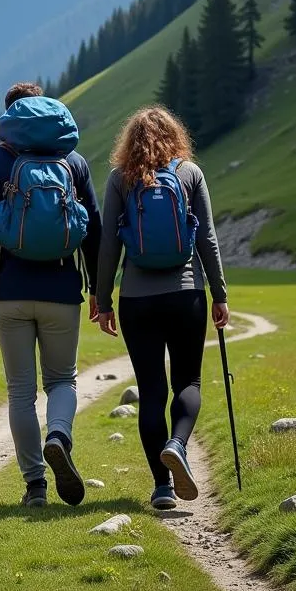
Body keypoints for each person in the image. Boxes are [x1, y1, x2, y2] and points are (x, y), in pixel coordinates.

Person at [0, 82, 102, 508]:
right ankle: (59, 436)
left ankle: (35, 486)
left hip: (9, 289)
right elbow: (93, 227)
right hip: (62, 289)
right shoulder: (74, 161)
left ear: (10, 118)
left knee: (20, 391)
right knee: (62, 379)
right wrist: (100, 289)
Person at [95, 106, 229, 510]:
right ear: (176, 137)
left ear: (129, 141)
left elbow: (109, 245)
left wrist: (104, 302)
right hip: (185, 294)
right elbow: (207, 238)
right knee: (188, 382)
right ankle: (177, 444)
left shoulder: (120, 179)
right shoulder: (189, 173)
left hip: (137, 300)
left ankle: (162, 487)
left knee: (150, 390)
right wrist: (219, 294)